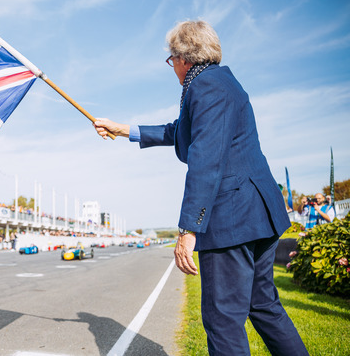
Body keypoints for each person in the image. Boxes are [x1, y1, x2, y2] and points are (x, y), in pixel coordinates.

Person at [94, 20, 307, 355]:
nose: (172, 67)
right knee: (264, 306)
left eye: (171, 60)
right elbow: (181, 131)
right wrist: (124, 130)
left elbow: (205, 159)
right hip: (258, 214)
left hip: (232, 220)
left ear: (183, 57)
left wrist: (188, 228)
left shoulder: (205, 86)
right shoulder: (220, 82)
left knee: (223, 321)